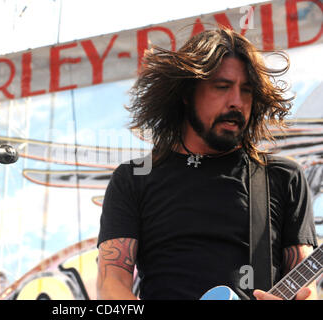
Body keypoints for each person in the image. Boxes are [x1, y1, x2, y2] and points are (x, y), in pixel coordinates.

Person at [96, 28, 318, 300]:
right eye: (222, 87)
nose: (237, 102)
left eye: (246, 91)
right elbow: (111, 283)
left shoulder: (283, 177)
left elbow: (308, 289)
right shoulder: (135, 178)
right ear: (188, 93)